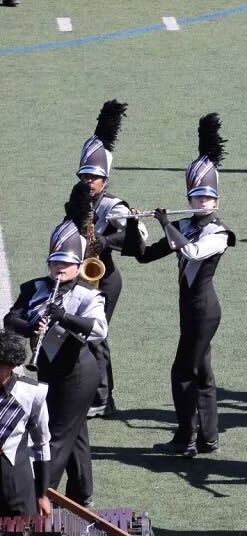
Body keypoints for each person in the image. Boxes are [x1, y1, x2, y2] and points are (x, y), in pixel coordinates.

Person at [124, 113, 234, 457]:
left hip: (204, 309)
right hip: (189, 309)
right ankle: (208, 437)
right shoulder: (185, 224)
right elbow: (144, 255)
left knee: (183, 372)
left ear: (216, 200)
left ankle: (186, 437)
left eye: (206, 198)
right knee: (202, 370)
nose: (200, 203)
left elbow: (195, 252)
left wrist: (168, 225)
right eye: (195, 198)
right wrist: (132, 226)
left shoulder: (219, 232)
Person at [4, 188, 108, 506]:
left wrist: (64, 316)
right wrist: (32, 325)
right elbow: (11, 320)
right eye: (55, 263)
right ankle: (82, 494)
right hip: (47, 369)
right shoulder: (35, 289)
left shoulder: (87, 295)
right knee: (75, 433)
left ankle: (38, 496)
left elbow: (99, 330)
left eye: (66, 264)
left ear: (78, 265)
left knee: (56, 435)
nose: (59, 270)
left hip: (79, 373)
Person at [74, 99, 141, 420]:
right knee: (82, 334)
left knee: (96, 335)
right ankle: (92, 392)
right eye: (84, 175)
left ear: (105, 179)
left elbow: (138, 237)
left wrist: (105, 240)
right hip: (82, 278)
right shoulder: (77, 200)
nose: (88, 181)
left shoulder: (113, 206)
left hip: (105, 277)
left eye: (94, 177)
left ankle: (102, 398)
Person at [0, 331, 51, 516]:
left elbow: (41, 444)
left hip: (16, 482)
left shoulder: (31, 394)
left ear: (11, 365)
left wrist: (42, 494)